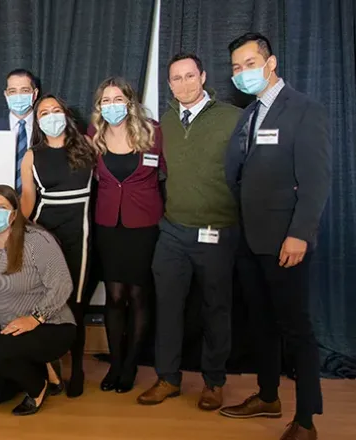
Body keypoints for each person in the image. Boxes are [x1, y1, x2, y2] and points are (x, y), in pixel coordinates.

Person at [220, 33, 330, 440]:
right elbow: (241, 174)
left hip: (286, 242)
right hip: (250, 239)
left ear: (271, 63)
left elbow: (316, 181)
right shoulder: (249, 114)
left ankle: (306, 420)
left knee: (296, 329)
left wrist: (299, 234)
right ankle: (267, 396)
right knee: (261, 324)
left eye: (249, 63)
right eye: (235, 67)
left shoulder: (304, 110)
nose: (242, 73)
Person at [138, 53, 241, 411]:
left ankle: (214, 382)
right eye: (176, 79)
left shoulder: (232, 118)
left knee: (216, 309)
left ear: (203, 76)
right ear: (169, 84)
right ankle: (168, 378)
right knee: (167, 307)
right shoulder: (165, 120)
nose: (184, 84)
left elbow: (252, 168)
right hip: (173, 232)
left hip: (217, 231)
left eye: (190, 76)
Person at [87, 77, 164, 394]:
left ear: (130, 103)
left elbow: (171, 173)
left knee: (138, 296)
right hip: (107, 226)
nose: (112, 106)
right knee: (115, 297)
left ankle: (131, 365)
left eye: (118, 99)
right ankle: (116, 363)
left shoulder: (153, 131)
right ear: (99, 106)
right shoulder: (93, 135)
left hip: (144, 226)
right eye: (106, 100)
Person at [20, 94, 99, 397]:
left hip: (81, 231)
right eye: (44, 112)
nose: (51, 116)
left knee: (76, 302)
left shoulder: (88, 146)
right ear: (37, 120)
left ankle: (77, 367)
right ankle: (51, 368)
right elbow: (28, 199)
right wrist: (14, 233)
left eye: (56, 110)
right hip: (44, 230)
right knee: (45, 298)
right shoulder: (32, 155)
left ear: (66, 114)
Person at [0, 185, 75, 416]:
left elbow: (62, 284)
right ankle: (42, 367)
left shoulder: (37, 240)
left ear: (15, 214)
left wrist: (35, 318)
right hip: (11, 331)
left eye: (1, 207)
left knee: (0, 351)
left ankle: (38, 388)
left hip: (51, 324)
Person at [0, 69, 39, 194]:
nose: (18, 96)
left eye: (25, 90)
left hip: (40, 203)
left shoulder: (46, 127)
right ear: (6, 95)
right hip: (1, 202)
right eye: (13, 91)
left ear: (35, 94)